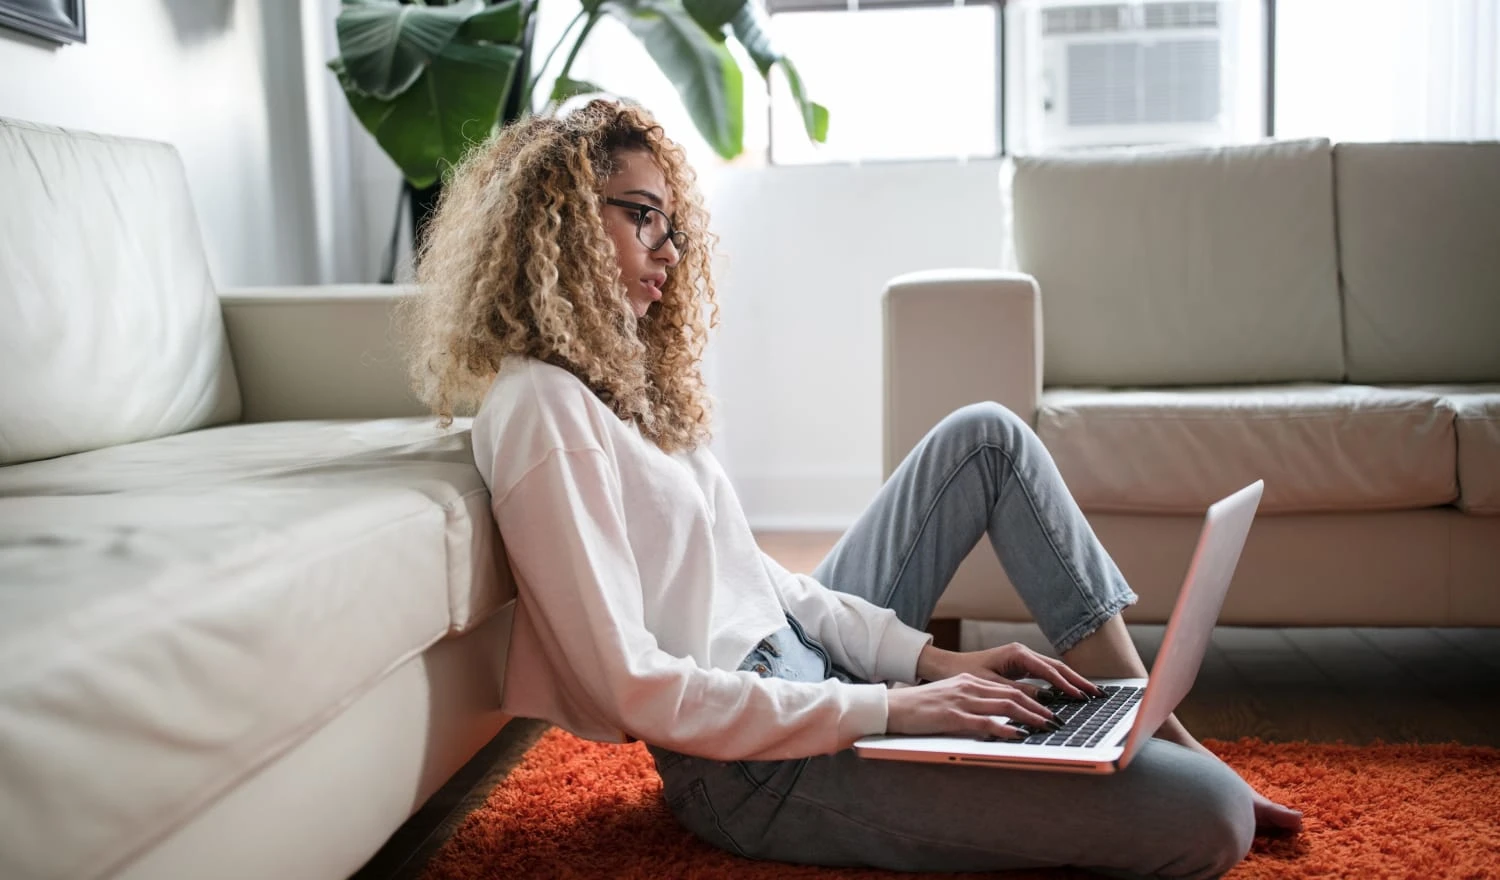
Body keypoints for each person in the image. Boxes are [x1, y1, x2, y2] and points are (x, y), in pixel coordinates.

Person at [405, 99, 1301, 879]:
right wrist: (891, 708)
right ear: (557, 220)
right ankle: (1155, 755)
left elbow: (762, 582)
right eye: (642, 216)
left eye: (671, 225)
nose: (668, 250)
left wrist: (927, 663)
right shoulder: (541, 408)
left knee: (984, 437)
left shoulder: (619, 386)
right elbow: (633, 687)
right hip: (751, 768)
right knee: (1209, 818)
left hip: (806, 673)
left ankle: (1152, 722)